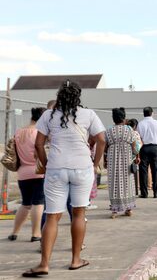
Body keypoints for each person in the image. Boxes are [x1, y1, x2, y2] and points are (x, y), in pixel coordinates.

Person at [23, 80, 105, 277]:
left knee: (52, 216)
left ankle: (44, 264)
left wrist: (44, 163)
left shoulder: (48, 115)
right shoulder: (89, 114)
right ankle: (76, 260)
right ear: (78, 96)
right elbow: (101, 140)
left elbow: (39, 144)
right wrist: (94, 164)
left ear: (60, 95)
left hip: (56, 168)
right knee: (78, 213)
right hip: (82, 167)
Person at [7, 107, 46, 242]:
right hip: (38, 172)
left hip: (22, 172)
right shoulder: (39, 133)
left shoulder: (19, 132)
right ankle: (36, 233)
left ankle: (14, 232)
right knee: (38, 203)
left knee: (25, 204)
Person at [106, 108, 137, 218]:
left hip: (113, 159)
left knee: (114, 183)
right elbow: (134, 146)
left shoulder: (108, 130)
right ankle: (128, 209)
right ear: (124, 118)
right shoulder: (129, 130)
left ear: (113, 119)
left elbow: (106, 146)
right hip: (126, 159)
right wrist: (136, 155)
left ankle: (114, 210)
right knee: (127, 182)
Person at [137, 107, 157, 198]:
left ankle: (144, 193)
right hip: (155, 147)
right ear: (152, 113)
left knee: (143, 171)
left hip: (144, 148)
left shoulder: (140, 124)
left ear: (143, 113)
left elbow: (138, 138)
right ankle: (156, 192)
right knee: (156, 170)